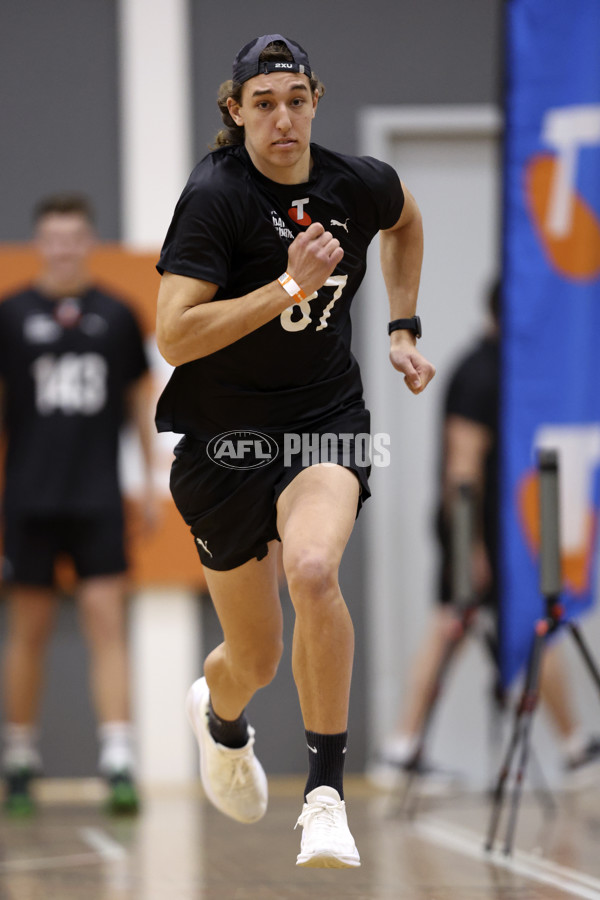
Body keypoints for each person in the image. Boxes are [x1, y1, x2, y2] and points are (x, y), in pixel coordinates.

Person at [155, 34, 435, 868]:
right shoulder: (215, 198)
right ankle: (221, 716)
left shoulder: (358, 183)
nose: (284, 117)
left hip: (324, 418)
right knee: (257, 656)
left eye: (296, 98)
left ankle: (324, 796)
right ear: (235, 110)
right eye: (264, 102)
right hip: (223, 441)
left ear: (315, 99)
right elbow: (174, 334)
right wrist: (287, 286)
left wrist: (402, 323)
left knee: (314, 571)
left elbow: (407, 220)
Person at [370, 282, 600, 792]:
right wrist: (469, 546)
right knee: (456, 624)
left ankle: (573, 743)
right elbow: (462, 466)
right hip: (475, 531)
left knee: (527, 627)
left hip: (499, 532)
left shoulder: (508, 370)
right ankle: (402, 749)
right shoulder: (482, 372)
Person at [0, 193, 156, 814]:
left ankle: (118, 759)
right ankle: (19, 759)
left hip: (96, 496)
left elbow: (143, 402)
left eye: (74, 237)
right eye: (53, 238)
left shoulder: (118, 315)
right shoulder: (10, 315)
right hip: (29, 497)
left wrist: (148, 480)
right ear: (41, 244)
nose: (64, 248)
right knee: (28, 629)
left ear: (88, 242)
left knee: (106, 621)